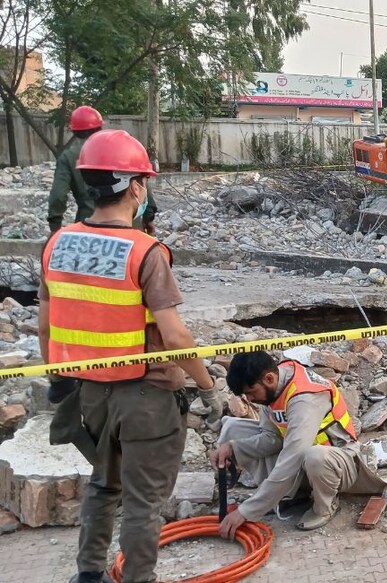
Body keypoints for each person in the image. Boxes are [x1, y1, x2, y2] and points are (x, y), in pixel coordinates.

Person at [39, 129, 221, 583]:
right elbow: (176, 336)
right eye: (144, 181)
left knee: (103, 486)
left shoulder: (58, 244)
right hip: (147, 396)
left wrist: (59, 379)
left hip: (91, 396)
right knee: (143, 502)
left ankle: (89, 575)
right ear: (135, 186)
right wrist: (206, 384)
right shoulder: (146, 251)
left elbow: (45, 325)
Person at [212, 352, 387, 535]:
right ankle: (287, 495)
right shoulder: (273, 386)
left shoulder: (305, 398)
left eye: (250, 393)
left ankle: (324, 507)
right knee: (233, 427)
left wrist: (247, 511)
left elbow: (293, 457)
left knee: (315, 456)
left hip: (338, 465)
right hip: (303, 465)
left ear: (269, 378)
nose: (249, 400)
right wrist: (234, 448)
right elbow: (271, 438)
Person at [49, 105, 158, 234]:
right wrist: (148, 218)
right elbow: (141, 183)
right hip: (128, 226)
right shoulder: (117, 147)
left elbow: (58, 196)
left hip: (88, 229)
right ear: (99, 127)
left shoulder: (68, 157)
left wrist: (55, 228)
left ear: (73, 130)